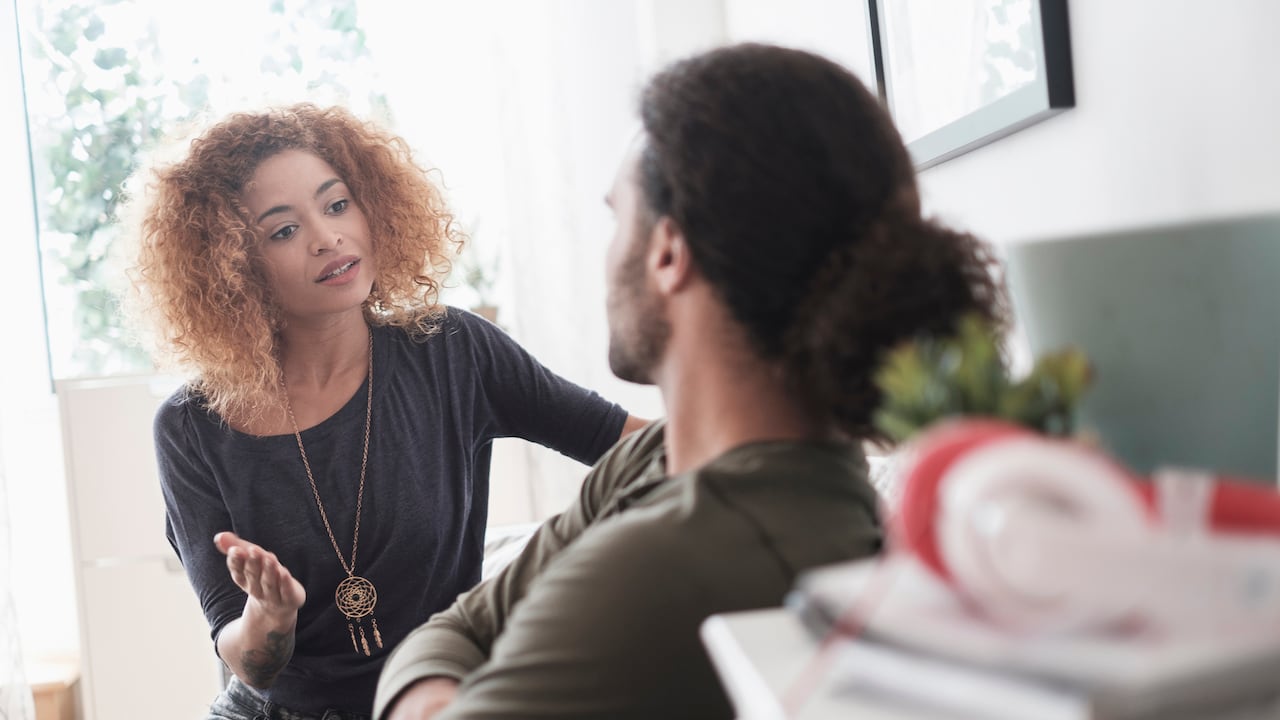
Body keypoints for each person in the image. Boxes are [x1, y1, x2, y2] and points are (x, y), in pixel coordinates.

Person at [372, 42, 1008, 720]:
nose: (609, 248)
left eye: (619, 217)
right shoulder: (660, 458)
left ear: (669, 252)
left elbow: (443, 641)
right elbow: (454, 629)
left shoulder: (666, 567)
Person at [119, 103, 646, 720]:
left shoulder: (453, 351)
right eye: (283, 230)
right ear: (233, 267)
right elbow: (248, 662)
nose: (327, 237)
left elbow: (639, 448)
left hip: (433, 701)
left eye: (337, 204)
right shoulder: (192, 426)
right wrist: (270, 616)